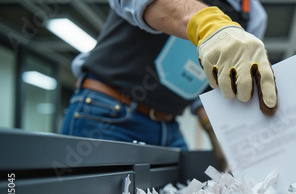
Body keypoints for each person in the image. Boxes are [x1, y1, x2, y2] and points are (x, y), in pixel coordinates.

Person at [60, 0, 278, 170]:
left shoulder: (253, 16)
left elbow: (210, 82)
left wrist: (216, 129)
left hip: (169, 127)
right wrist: (208, 24)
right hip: (106, 114)